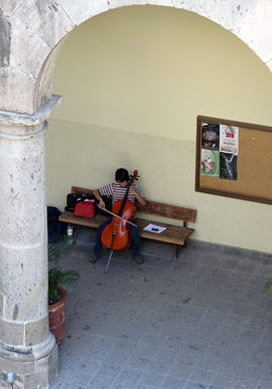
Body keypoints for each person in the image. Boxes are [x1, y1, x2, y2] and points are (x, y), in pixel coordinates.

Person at [89, 168, 146, 265]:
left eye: (121, 182)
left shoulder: (134, 188)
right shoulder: (113, 186)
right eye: (118, 181)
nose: (119, 184)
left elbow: (143, 203)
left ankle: (136, 255)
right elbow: (95, 191)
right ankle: (96, 252)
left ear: (127, 180)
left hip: (128, 219)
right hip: (115, 217)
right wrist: (100, 200)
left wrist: (136, 194)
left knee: (135, 232)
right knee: (101, 229)